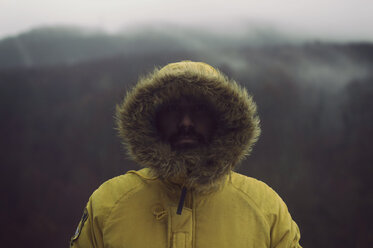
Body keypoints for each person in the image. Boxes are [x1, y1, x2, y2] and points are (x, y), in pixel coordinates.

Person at [70, 61, 302, 248]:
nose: (186, 123)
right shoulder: (109, 204)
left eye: (199, 111)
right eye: (173, 111)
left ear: (219, 121)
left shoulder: (265, 207)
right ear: (154, 120)